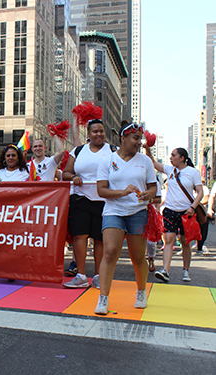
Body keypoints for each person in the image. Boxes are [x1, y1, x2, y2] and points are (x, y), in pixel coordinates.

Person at [94, 122, 157, 315]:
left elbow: (153, 187)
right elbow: (101, 190)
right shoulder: (107, 161)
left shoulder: (145, 161)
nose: (139, 142)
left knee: (137, 256)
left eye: (140, 139)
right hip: (113, 210)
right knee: (110, 251)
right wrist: (123, 191)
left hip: (138, 212)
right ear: (123, 138)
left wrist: (148, 194)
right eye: (136, 138)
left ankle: (140, 291)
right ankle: (103, 298)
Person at [61, 119, 116, 289]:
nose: (99, 134)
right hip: (80, 199)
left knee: (100, 239)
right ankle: (81, 275)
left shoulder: (114, 151)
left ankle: (99, 276)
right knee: (79, 236)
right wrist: (74, 177)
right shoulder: (78, 151)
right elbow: (65, 173)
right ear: (89, 134)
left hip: (104, 201)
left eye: (101, 131)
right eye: (95, 131)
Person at [144, 146, 203, 283]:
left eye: (173, 155)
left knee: (185, 242)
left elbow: (200, 192)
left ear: (182, 158)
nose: (170, 158)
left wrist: (192, 207)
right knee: (169, 240)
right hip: (170, 210)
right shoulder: (170, 170)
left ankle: (186, 270)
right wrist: (148, 149)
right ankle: (165, 271)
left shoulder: (193, 172)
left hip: (186, 212)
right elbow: (153, 163)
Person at [194, 178, 210, 256]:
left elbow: (206, 199)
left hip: (201, 211)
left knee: (202, 229)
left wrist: (195, 204)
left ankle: (200, 246)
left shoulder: (204, 188)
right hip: (191, 211)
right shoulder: (190, 188)